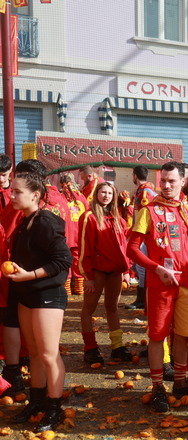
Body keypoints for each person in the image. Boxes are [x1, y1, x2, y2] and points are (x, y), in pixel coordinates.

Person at [127, 162, 188, 413]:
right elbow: (132, 249)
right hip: (160, 285)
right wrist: (157, 269)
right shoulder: (148, 211)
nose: (166, 185)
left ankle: (181, 383)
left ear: (183, 181)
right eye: (163, 180)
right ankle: (157, 388)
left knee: (183, 335)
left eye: (171, 181)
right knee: (157, 336)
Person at [6, 172, 72, 432]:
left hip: (48, 295)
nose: (11, 195)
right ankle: (37, 402)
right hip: (28, 294)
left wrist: (29, 275)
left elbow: (63, 260)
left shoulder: (45, 221)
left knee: (48, 354)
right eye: (11, 190)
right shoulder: (26, 221)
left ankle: (54, 409)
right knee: (34, 352)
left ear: (35, 195)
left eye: (17, 192)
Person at [78, 182, 133, 365]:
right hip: (96, 271)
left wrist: (127, 270)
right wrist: (88, 276)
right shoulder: (89, 217)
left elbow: (124, 247)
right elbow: (84, 247)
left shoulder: (118, 219)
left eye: (110, 193)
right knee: (88, 309)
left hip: (115, 271)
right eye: (103, 192)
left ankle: (117, 347)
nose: (106, 196)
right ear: (96, 194)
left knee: (113, 308)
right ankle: (90, 348)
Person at [125, 165, 157, 311]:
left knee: (142, 267)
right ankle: (143, 298)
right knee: (139, 266)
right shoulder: (144, 190)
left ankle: (142, 299)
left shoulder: (145, 192)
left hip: (143, 233)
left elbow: (144, 215)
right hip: (141, 232)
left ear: (134, 176)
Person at [59, 172, 90, 296]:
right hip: (80, 235)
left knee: (65, 260)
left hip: (65, 235)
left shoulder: (60, 197)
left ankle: (67, 289)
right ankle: (79, 288)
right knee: (78, 261)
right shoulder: (81, 197)